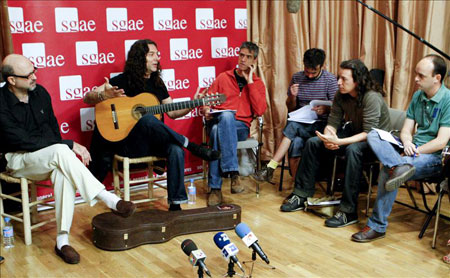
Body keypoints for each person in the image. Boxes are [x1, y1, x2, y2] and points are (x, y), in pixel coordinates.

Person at [0, 54, 136, 264]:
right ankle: (108, 198)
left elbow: (53, 134)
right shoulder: (1, 102)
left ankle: (62, 241)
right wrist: (69, 144)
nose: (35, 77)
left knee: (61, 169)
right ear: (12, 80)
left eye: (35, 70)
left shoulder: (40, 94)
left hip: (46, 157)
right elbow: (20, 140)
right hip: (15, 160)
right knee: (62, 151)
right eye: (29, 75)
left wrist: (61, 144)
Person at [84, 39, 220, 211]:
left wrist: (193, 103)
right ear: (139, 58)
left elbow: (172, 112)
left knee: (175, 149)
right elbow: (88, 98)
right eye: (151, 54)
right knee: (147, 119)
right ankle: (191, 145)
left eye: (157, 54)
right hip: (127, 144)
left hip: (152, 144)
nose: (157, 58)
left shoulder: (157, 83)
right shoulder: (121, 81)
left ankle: (175, 205)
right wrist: (104, 95)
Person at [280, 59, 391, 228]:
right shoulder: (341, 95)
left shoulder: (371, 97)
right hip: (355, 134)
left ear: (358, 80)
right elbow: (332, 122)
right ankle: (301, 194)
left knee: (353, 150)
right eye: (339, 77)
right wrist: (327, 138)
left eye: (344, 79)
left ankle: (348, 211)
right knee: (313, 143)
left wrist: (339, 141)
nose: (339, 82)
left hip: (378, 142)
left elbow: (369, 133)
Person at [352, 54, 450, 242]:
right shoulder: (418, 96)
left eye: (421, 76)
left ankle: (377, 226)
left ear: (437, 78)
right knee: (373, 134)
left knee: (389, 171)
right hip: (411, 149)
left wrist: (415, 151)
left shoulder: (448, 100)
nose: (416, 79)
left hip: (435, 157)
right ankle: (398, 165)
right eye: (416, 74)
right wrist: (406, 143)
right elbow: (406, 129)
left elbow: (441, 142)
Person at [251, 48, 338, 182]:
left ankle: (271, 166)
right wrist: (292, 96)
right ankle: (298, 188)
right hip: (302, 124)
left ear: (322, 66)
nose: (309, 75)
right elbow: (291, 108)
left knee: (292, 126)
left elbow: (338, 109)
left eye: (313, 72)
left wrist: (326, 109)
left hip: (322, 126)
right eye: (307, 71)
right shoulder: (297, 77)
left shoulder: (330, 80)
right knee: (296, 142)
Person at [199, 41, 267, 206]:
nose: (243, 59)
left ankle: (215, 188)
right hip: (219, 120)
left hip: (241, 127)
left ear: (254, 61)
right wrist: (206, 108)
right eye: (241, 55)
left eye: (248, 57)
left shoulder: (257, 83)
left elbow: (260, 111)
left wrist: (250, 83)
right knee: (226, 117)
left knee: (217, 131)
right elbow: (207, 101)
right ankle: (233, 173)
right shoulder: (224, 77)